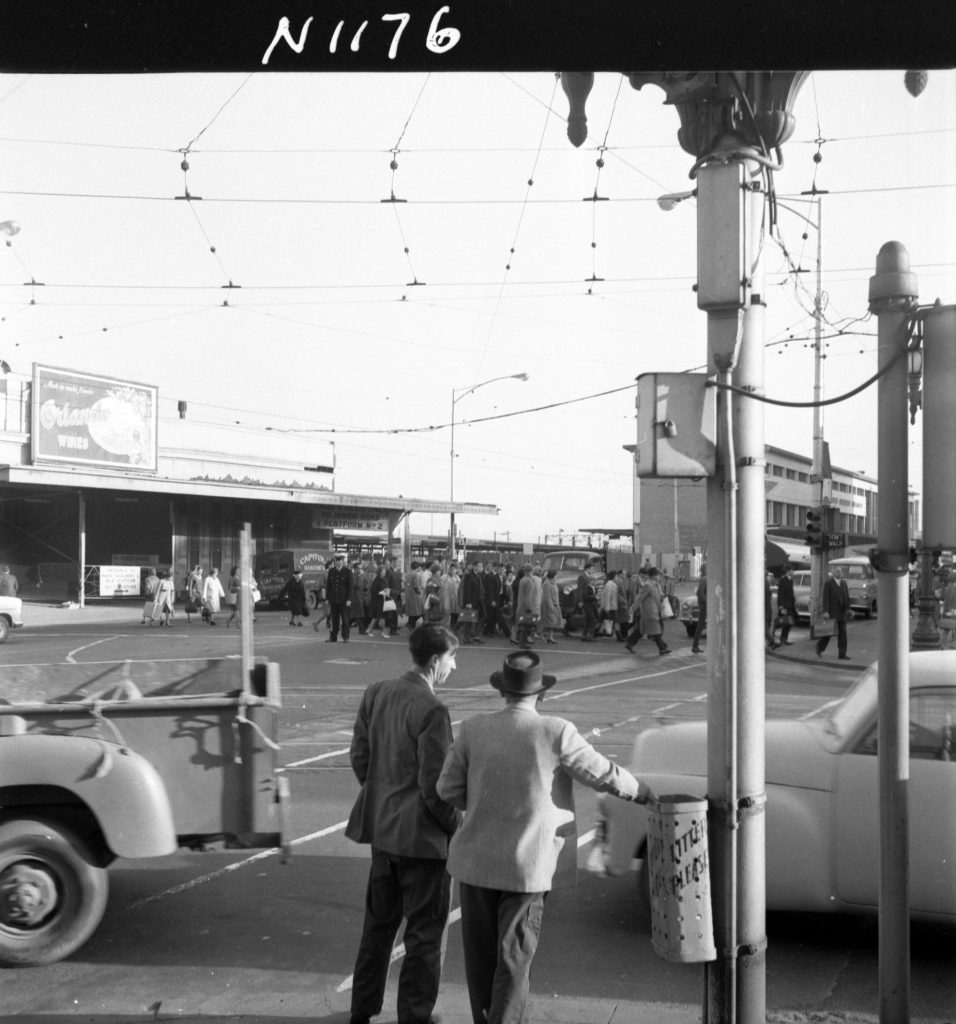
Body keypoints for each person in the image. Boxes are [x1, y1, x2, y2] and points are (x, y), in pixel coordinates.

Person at [437, 651, 654, 1024]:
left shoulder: (473, 728)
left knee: (481, 960)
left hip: (474, 864)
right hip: (527, 868)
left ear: (502, 692)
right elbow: (602, 774)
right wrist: (643, 791)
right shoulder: (556, 731)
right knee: (514, 958)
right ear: (541, 695)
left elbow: (446, 789)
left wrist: (481, 803)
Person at [345, 624, 462, 1024]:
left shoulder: (377, 692)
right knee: (425, 937)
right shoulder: (433, 710)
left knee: (377, 929)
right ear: (434, 661)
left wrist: (381, 794)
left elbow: (360, 756)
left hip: (383, 833)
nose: (453, 666)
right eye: (451, 658)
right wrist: (456, 828)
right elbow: (436, 788)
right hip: (423, 843)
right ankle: (414, 1016)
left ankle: (362, 1010)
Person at [626, 568, 670, 655]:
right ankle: (662, 648)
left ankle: (630, 644)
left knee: (641, 629)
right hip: (650, 612)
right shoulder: (648, 585)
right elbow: (640, 597)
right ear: (654, 575)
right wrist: (632, 608)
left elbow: (656, 596)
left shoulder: (655, 584)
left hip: (655, 610)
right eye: (657, 575)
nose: (659, 577)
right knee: (656, 630)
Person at [816, 567, 851, 660]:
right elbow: (825, 598)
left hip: (842, 613)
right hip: (832, 612)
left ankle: (842, 654)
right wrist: (826, 611)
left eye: (841, 571)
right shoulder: (829, 583)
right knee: (828, 633)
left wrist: (848, 609)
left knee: (843, 634)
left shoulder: (843, 583)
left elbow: (846, 597)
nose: (840, 573)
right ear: (833, 573)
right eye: (837, 571)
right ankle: (819, 647)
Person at [326, 552, 354, 642]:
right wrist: (327, 598)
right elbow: (328, 586)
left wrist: (349, 599)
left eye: (339, 560)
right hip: (334, 599)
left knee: (345, 619)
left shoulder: (347, 572)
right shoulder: (331, 571)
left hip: (344, 599)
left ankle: (346, 637)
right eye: (336, 561)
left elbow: (350, 587)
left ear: (342, 561)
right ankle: (333, 637)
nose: (337, 562)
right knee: (334, 620)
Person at [459, 562, 484, 645]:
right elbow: (467, 590)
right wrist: (468, 602)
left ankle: (471, 636)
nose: (481, 567)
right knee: (468, 620)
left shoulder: (477, 575)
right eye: (480, 566)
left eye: (481, 566)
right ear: (475, 567)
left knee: (472, 620)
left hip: (477, 601)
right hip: (471, 602)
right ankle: (466, 638)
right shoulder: (469, 576)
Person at [774, 564, 797, 646]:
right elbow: (781, 594)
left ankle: (784, 638)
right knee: (784, 622)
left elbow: (791, 593)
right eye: (792, 570)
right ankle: (775, 634)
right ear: (788, 571)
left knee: (789, 622)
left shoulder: (790, 580)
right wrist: (781, 606)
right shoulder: (783, 580)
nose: (793, 571)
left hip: (790, 605)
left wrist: (794, 602)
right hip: (785, 605)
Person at [539, 568, 562, 645]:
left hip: (555, 604)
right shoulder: (547, 584)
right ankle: (541, 634)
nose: (556, 577)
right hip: (548, 606)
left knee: (553, 622)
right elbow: (547, 597)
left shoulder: (553, 583)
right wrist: (551, 606)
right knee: (549, 621)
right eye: (556, 575)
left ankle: (550, 637)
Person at [404, 560, 424, 633]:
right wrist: (420, 592)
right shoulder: (416, 575)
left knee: (412, 612)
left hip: (408, 595)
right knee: (420, 612)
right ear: (418, 567)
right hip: (415, 596)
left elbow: (405, 584)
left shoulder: (407, 574)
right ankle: (411, 626)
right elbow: (416, 586)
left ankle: (410, 626)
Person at [691, 564, 707, 654]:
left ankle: (695, 646)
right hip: (705, 606)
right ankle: (695, 646)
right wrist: (706, 602)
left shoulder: (705, 579)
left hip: (707, 605)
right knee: (700, 625)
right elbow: (699, 593)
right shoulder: (704, 579)